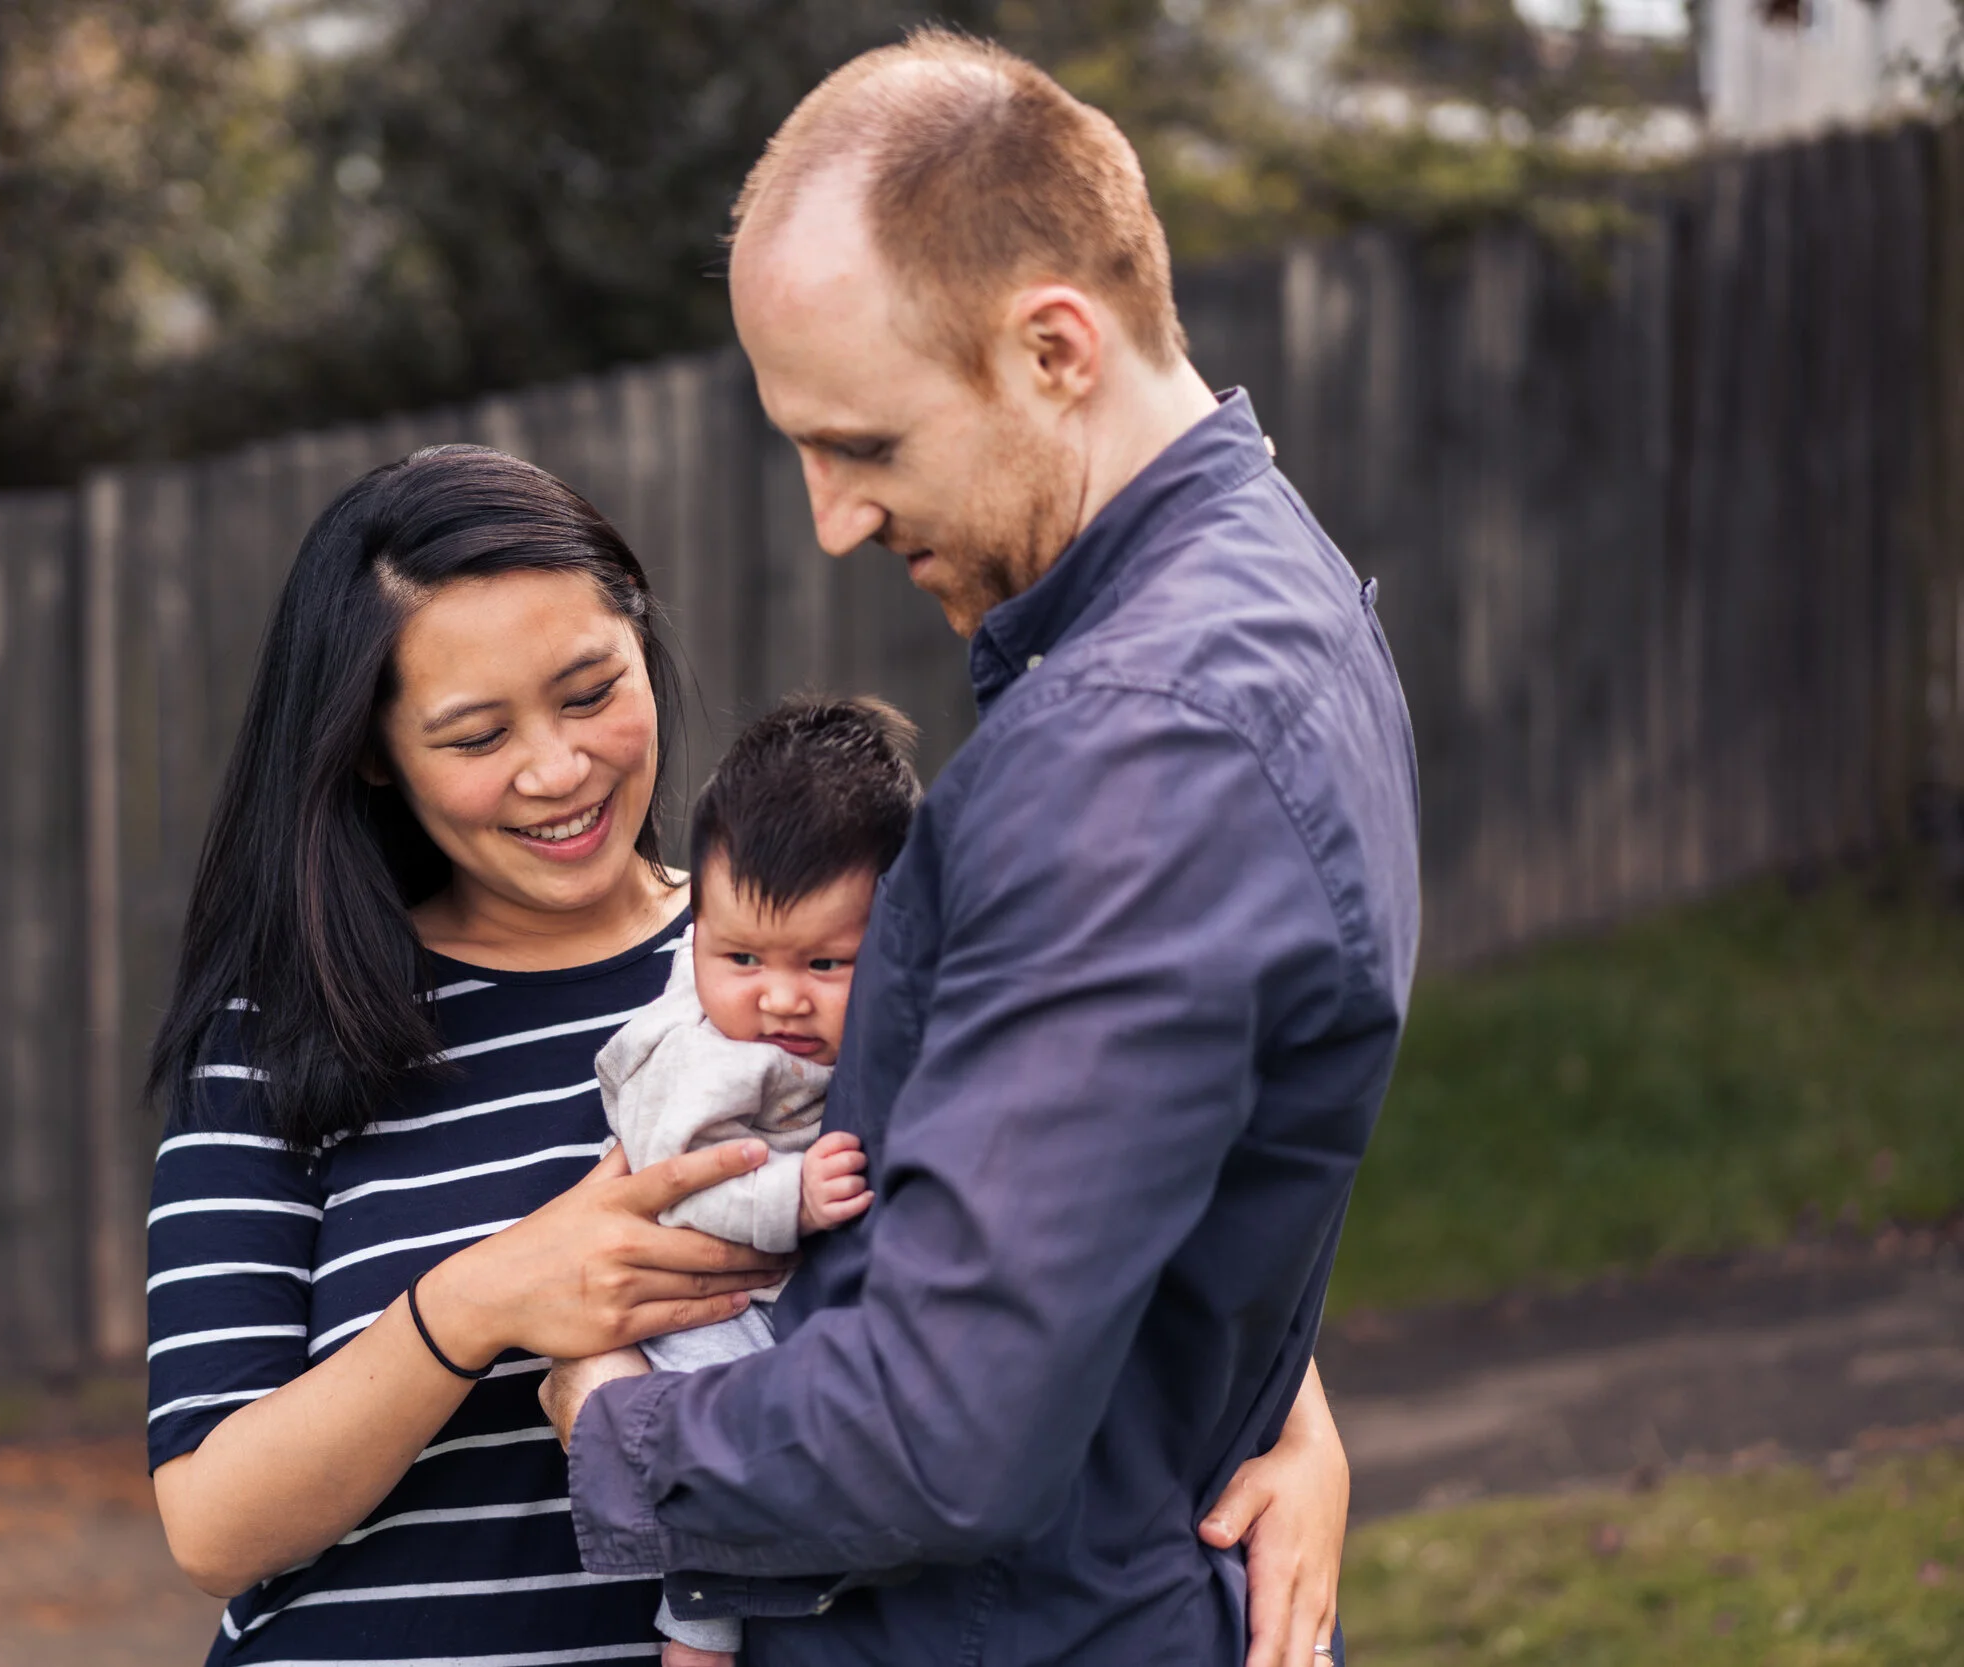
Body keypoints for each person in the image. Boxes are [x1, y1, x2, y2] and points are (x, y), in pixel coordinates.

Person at [141, 444, 1358, 1666]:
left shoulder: (817, 964)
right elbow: (212, 1522)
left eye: (587, 689)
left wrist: (1292, 1424)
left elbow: (1085, 1197)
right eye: (474, 735)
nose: (557, 768)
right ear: (370, 751)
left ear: (642, 643)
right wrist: (481, 1300)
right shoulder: (283, 1036)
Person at [543, 30, 1421, 1667]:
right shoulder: (1274, 598)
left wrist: (611, 1421)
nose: (831, 517)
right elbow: (1139, 1190)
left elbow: (945, 1422)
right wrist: (1275, 1398)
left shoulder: (1134, 742)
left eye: (864, 446)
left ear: (1054, 348)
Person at [592, 696, 923, 1662]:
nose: (778, 996)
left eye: (825, 961)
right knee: (714, 1428)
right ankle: (697, 1629)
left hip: (799, 1301)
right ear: (699, 927)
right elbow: (679, 1184)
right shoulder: (696, 1054)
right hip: (698, 1299)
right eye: (741, 957)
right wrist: (791, 1197)